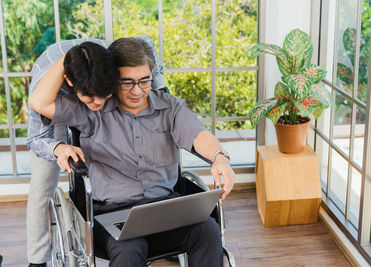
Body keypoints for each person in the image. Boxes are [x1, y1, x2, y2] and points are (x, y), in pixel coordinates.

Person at [29, 37, 235, 267]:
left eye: (144, 81)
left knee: (207, 229)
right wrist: (67, 60)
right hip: (112, 217)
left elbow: (199, 135)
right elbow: (39, 101)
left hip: (166, 209)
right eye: (127, 83)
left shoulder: (170, 108)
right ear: (114, 79)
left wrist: (220, 158)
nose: (137, 91)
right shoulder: (92, 110)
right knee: (128, 249)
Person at [26, 36, 164, 267]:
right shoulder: (47, 86)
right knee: (42, 181)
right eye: (90, 98)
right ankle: (37, 260)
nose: (98, 102)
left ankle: (156, 228)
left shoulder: (113, 65)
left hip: (94, 72)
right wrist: (58, 148)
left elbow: (145, 44)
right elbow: (36, 138)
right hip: (55, 93)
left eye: (105, 95)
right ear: (70, 81)